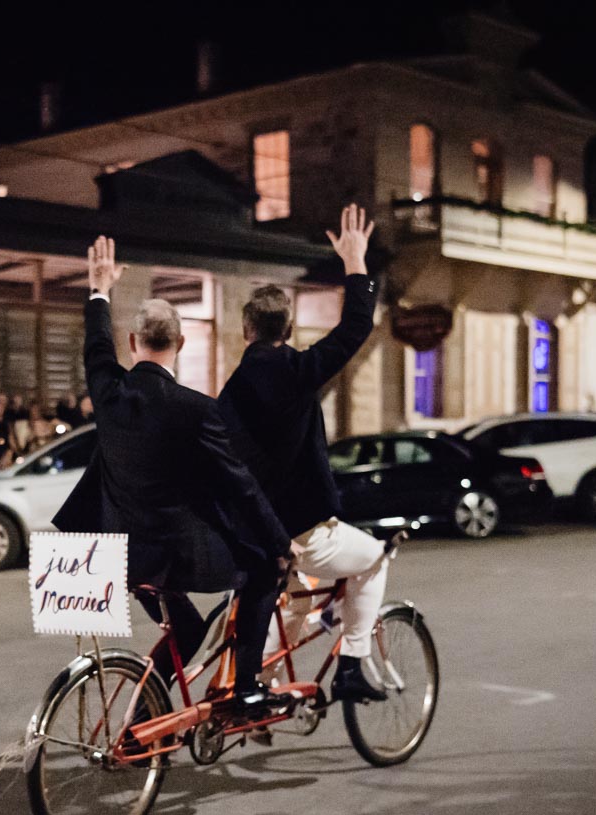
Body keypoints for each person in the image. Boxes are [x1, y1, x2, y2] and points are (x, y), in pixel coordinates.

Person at [53, 236, 292, 714]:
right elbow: (239, 484)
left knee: (188, 628)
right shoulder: (196, 409)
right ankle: (246, 687)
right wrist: (280, 540)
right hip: (176, 555)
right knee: (265, 569)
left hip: (120, 555)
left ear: (132, 343)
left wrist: (99, 290)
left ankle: (145, 710)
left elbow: (95, 347)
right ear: (180, 344)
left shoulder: (109, 393)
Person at [217, 204, 385, 703]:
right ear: (286, 330)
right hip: (305, 530)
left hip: (254, 532)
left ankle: (253, 684)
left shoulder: (229, 392)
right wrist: (355, 262)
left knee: (285, 604)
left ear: (246, 330)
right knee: (374, 559)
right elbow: (356, 326)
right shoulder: (301, 370)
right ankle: (353, 663)